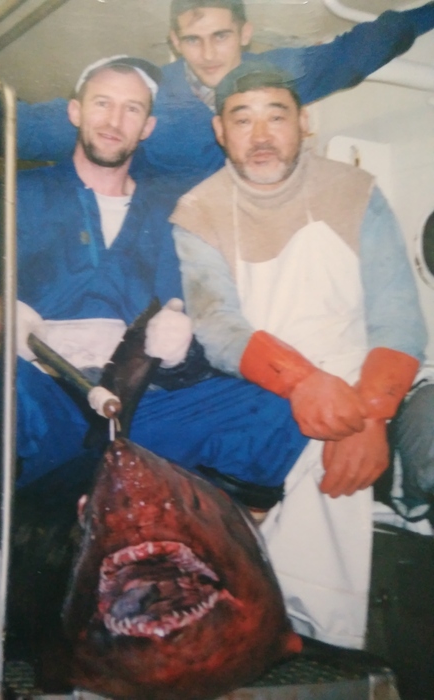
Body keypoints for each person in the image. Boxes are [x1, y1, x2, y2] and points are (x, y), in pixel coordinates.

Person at [0, 56, 308, 537]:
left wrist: (183, 351)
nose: (115, 121)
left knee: (280, 408)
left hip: (144, 409)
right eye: (102, 103)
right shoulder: (15, 195)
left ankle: (211, 549)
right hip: (41, 400)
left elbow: (212, 327)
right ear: (75, 112)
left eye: (131, 109)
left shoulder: (180, 214)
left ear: (148, 127)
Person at [169, 61, 432, 649]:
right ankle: (287, 625)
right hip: (264, 384)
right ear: (220, 131)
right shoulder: (197, 210)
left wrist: (371, 416)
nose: (261, 136)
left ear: (304, 122)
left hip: (362, 382)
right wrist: (306, 384)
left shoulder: (356, 190)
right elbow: (218, 326)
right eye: (243, 120)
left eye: (276, 116)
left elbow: (398, 315)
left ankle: (287, 624)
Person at [0, 0, 434, 191]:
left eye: (221, 37)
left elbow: (367, 46)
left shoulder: (284, 73)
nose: (208, 54)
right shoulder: (148, 94)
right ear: (175, 42)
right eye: (193, 40)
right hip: (173, 231)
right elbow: (44, 124)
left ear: (245, 33)